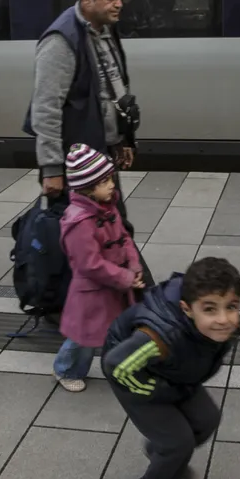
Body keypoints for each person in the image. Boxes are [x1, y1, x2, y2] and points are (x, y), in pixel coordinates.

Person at [103, 257, 240, 479]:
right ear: (187, 309)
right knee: (177, 442)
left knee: (206, 420)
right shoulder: (159, 338)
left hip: (175, 373)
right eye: (210, 309)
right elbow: (116, 367)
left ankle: (163, 457)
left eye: (232, 307)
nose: (224, 319)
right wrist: (156, 392)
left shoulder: (211, 326)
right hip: (136, 377)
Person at [26, 0, 141, 235]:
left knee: (112, 232)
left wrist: (124, 138)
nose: (119, 4)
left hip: (102, 155)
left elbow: (113, 89)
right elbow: (46, 107)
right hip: (78, 166)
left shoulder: (105, 29)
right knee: (92, 237)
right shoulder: (61, 40)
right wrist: (52, 167)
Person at [53, 144, 145, 393]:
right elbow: (90, 264)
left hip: (113, 285)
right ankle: (66, 369)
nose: (112, 185)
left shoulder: (106, 206)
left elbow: (124, 237)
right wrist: (126, 277)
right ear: (88, 189)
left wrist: (133, 264)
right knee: (83, 336)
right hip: (92, 291)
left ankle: (124, 364)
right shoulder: (80, 223)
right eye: (105, 181)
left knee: (114, 328)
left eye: (110, 178)